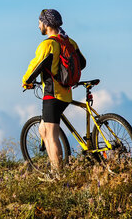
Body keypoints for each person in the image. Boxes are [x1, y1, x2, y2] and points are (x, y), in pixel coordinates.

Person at [22, 9, 86, 179]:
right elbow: (83, 63)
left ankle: (57, 175)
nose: (38, 25)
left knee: (51, 135)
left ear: (46, 24)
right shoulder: (69, 41)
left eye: (39, 22)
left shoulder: (48, 44)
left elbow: (35, 67)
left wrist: (26, 81)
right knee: (44, 130)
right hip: (66, 93)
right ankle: (56, 170)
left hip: (52, 94)